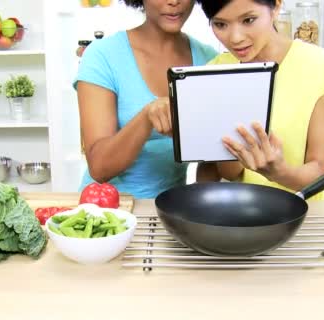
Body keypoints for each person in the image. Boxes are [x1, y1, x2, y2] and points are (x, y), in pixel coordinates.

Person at [197, 0, 324, 200]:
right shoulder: (214, 71)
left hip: (304, 214)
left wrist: (279, 172)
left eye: (248, 20)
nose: (236, 38)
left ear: (275, 6)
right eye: (220, 24)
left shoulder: (322, 67)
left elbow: (319, 169)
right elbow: (230, 173)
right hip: (240, 212)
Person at [74, 0, 218, 199]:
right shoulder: (102, 55)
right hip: (108, 211)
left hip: (169, 209)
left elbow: (213, 160)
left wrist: (199, 206)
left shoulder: (209, 59)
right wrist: (147, 117)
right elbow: (99, 168)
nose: (174, 1)